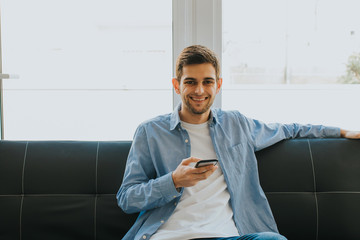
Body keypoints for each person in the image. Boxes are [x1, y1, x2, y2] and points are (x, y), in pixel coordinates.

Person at [117, 45, 360, 240]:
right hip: (168, 235)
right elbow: (127, 198)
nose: (199, 90)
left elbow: (290, 129)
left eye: (208, 82)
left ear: (218, 85)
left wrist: (341, 132)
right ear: (176, 85)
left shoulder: (237, 124)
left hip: (228, 235)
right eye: (190, 81)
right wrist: (173, 181)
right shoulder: (150, 131)